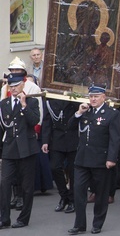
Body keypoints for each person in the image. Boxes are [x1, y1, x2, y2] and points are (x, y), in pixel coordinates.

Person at [68, 85, 120, 235]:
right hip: (82, 159)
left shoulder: (111, 114)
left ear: (104, 97)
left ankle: (97, 223)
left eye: (96, 96)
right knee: (78, 192)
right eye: (91, 96)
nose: (93, 99)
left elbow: (114, 139)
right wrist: (78, 112)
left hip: (100, 160)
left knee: (101, 194)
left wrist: (111, 158)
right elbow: (70, 127)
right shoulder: (85, 112)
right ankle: (79, 224)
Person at [0, 73, 41, 229]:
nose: (13, 88)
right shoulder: (4, 103)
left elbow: (34, 121)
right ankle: (4, 218)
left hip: (27, 149)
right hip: (9, 148)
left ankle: (23, 218)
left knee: (27, 186)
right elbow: (3, 127)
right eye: (11, 86)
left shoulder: (31, 102)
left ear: (23, 85)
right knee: (4, 183)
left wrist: (24, 106)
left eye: (16, 85)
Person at [41, 96, 79, 214]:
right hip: (57, 139)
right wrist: (45, 141)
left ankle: (72, 199)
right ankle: (64, 196)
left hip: (73, 138)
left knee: (73, 171)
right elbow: (47, 122)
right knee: (54, 167)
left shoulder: (75, 99)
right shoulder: (51, 101)